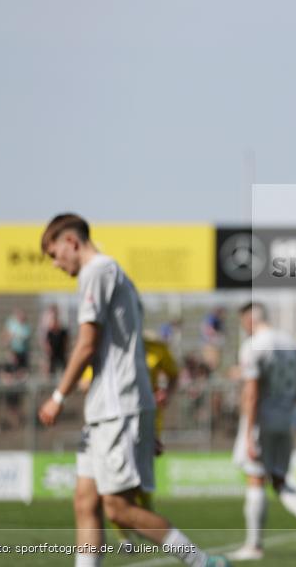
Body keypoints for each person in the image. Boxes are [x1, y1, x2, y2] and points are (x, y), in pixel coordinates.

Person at [36, 213, 228, 567]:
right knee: (85, 500)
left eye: (53, 254)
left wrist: (58, 396)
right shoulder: (117, 275)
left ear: (71, 243)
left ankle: (203, 562)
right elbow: (131, 349)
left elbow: (87, 343)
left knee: (119, 510)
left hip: (116, 407)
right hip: (111, 408)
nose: (55, 264)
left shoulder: (98, 272)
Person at [229, 302, 296, 561]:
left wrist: (248, 434)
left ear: (250, 320)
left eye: (243, 323)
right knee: (280, 480)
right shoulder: (288, 342)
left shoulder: (253, 345)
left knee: (255, 479)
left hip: (262, 420)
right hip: (286, 419)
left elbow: (251, 393)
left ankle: (254, 545)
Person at [78, 331, 180, 553]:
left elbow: (174, 375)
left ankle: (161, 536)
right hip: (112, 427)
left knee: (141, 490)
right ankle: (125, 537)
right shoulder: (107, 347)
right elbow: (85, 382)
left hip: (146, 424)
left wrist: (165, 393)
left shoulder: (156, 348)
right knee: (112, 495)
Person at [40, 305, 69, 380]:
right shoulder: (49, 332)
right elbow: (46, 342)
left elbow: (65, 341)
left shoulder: (62, 331)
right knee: (51, 369)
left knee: (63, 367)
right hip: (53, 354)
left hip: (60, 352)